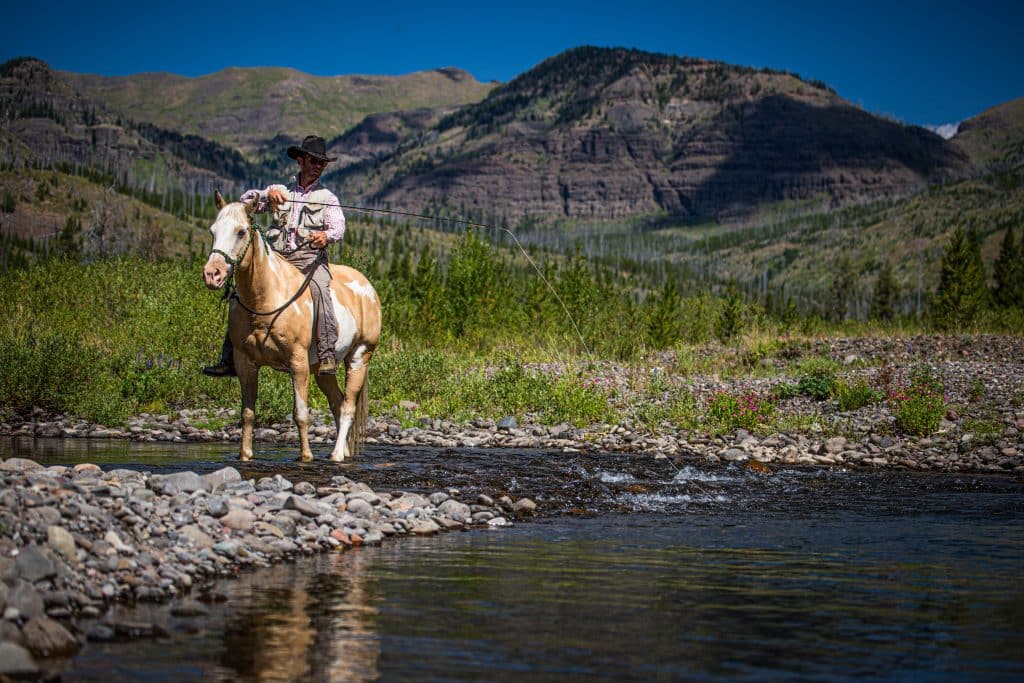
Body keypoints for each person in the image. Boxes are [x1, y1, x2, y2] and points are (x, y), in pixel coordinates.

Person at [203, 135, 346, 377]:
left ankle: (326, 354)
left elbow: (338, 228)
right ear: (300, 161)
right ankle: (229, 357)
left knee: (322, 289)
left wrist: (325, 236)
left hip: (309, 260)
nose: (318, 166)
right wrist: (268, 194)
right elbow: (244, 202)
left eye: (322, 163)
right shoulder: (279, 191)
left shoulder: (328, 198)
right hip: (277, 259)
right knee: (238, 294)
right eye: (313, 160)